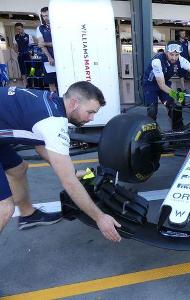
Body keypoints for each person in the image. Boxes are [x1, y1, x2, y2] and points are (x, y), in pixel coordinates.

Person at [0, 82, 122, 242]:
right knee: (5, 208)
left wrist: (71, 171)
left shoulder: (50, 101)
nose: (92, 118)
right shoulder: (53, 122)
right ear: (73, 103)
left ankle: (28, 215)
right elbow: (69, 182)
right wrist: (99, 217)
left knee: (18, 169)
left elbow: (41, 146)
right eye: (90, 112)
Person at [142, 41, 190, 130]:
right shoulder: (157, 62)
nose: (174, 57)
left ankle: (178, 130)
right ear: (166, 52)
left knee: (174, 107)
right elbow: (161, 85)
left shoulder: (181, 60)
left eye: (176, 55)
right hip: (150, 85)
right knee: (152, 109)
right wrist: (175, 94)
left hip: (164, 82)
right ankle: (150, 132)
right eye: (171, 54)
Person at [36, 7, 57, 93]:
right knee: (51, 82)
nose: (46, 18)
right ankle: (55, 102)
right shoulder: (40, 28)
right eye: (44, 16)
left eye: (47, 15)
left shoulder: (59, 26)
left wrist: (45, 43)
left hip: (61, 57)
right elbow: (41, 44)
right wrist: (49, 57)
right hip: (48, 58)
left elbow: (60, 44)